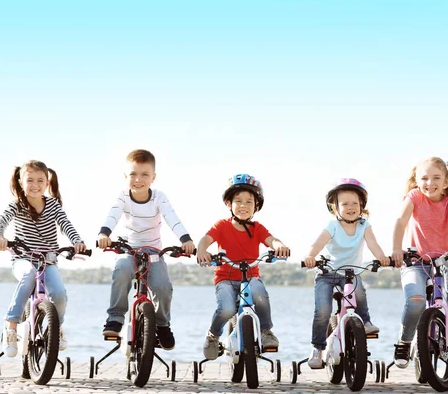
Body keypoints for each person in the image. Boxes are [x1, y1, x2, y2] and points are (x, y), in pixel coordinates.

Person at [97, 149, 195, 350]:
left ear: (153, 178)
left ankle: (162, 324)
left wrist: (186, 239)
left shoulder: (159, 197)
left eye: (144, 175)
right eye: (133, 174)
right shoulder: (123, 197)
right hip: (128, 249)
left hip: (153, 252)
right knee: (122, 270)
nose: (138, 179)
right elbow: (112, 215)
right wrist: (104, 234)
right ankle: (115, 318)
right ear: (125, 176)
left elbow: (172, 218)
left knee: (162, 286)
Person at [391, 157, 448, 368]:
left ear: (446, 182)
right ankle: (404, 342)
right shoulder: (414, 197)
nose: (429, 183)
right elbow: (401, 220)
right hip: (415, 261)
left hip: (441, 261)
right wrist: (396, 248)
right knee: (415, 301)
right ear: (416, 180)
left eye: (436, 178)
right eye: (424, 178)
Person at [0, 160, 86, 357]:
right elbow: (3, 220)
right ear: (21, 182)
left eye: (40, 180)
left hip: (48, 261)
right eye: (30, 180)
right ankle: (11, 327)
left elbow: (65, 224)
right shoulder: (17, 204)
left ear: (47, 183)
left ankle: (56, 328)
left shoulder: (52, 204)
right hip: (22, 259)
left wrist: (77, 241)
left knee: (59, 294)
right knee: (28, 274)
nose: (35, 185)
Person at [197, 173, 290, 360]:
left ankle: (265, 331)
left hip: (250, 278)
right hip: (225, 279)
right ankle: (213, 334)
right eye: (238, 201)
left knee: (260, 295)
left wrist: (279, 246)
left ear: (256, 206)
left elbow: (271, 240)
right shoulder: (222, 226)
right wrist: (201, 250)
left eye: (249, 202)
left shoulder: (257, 228)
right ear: (229, 204)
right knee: (227, 309)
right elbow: (205, 240)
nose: (243, 205)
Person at [302, 178, 390, 368]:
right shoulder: (332, 225)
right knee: (323, 310)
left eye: (355, 204)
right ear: (335, 208)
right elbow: (318, 243)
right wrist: (310, 256)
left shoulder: (364, 226)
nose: (350, 207)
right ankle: (317, 349)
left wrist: (383, 257)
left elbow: (373, 244)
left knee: (359, 292)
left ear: (362, 206)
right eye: (345, 204)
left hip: (350, 273)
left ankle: (365, 322)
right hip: (327, 272)